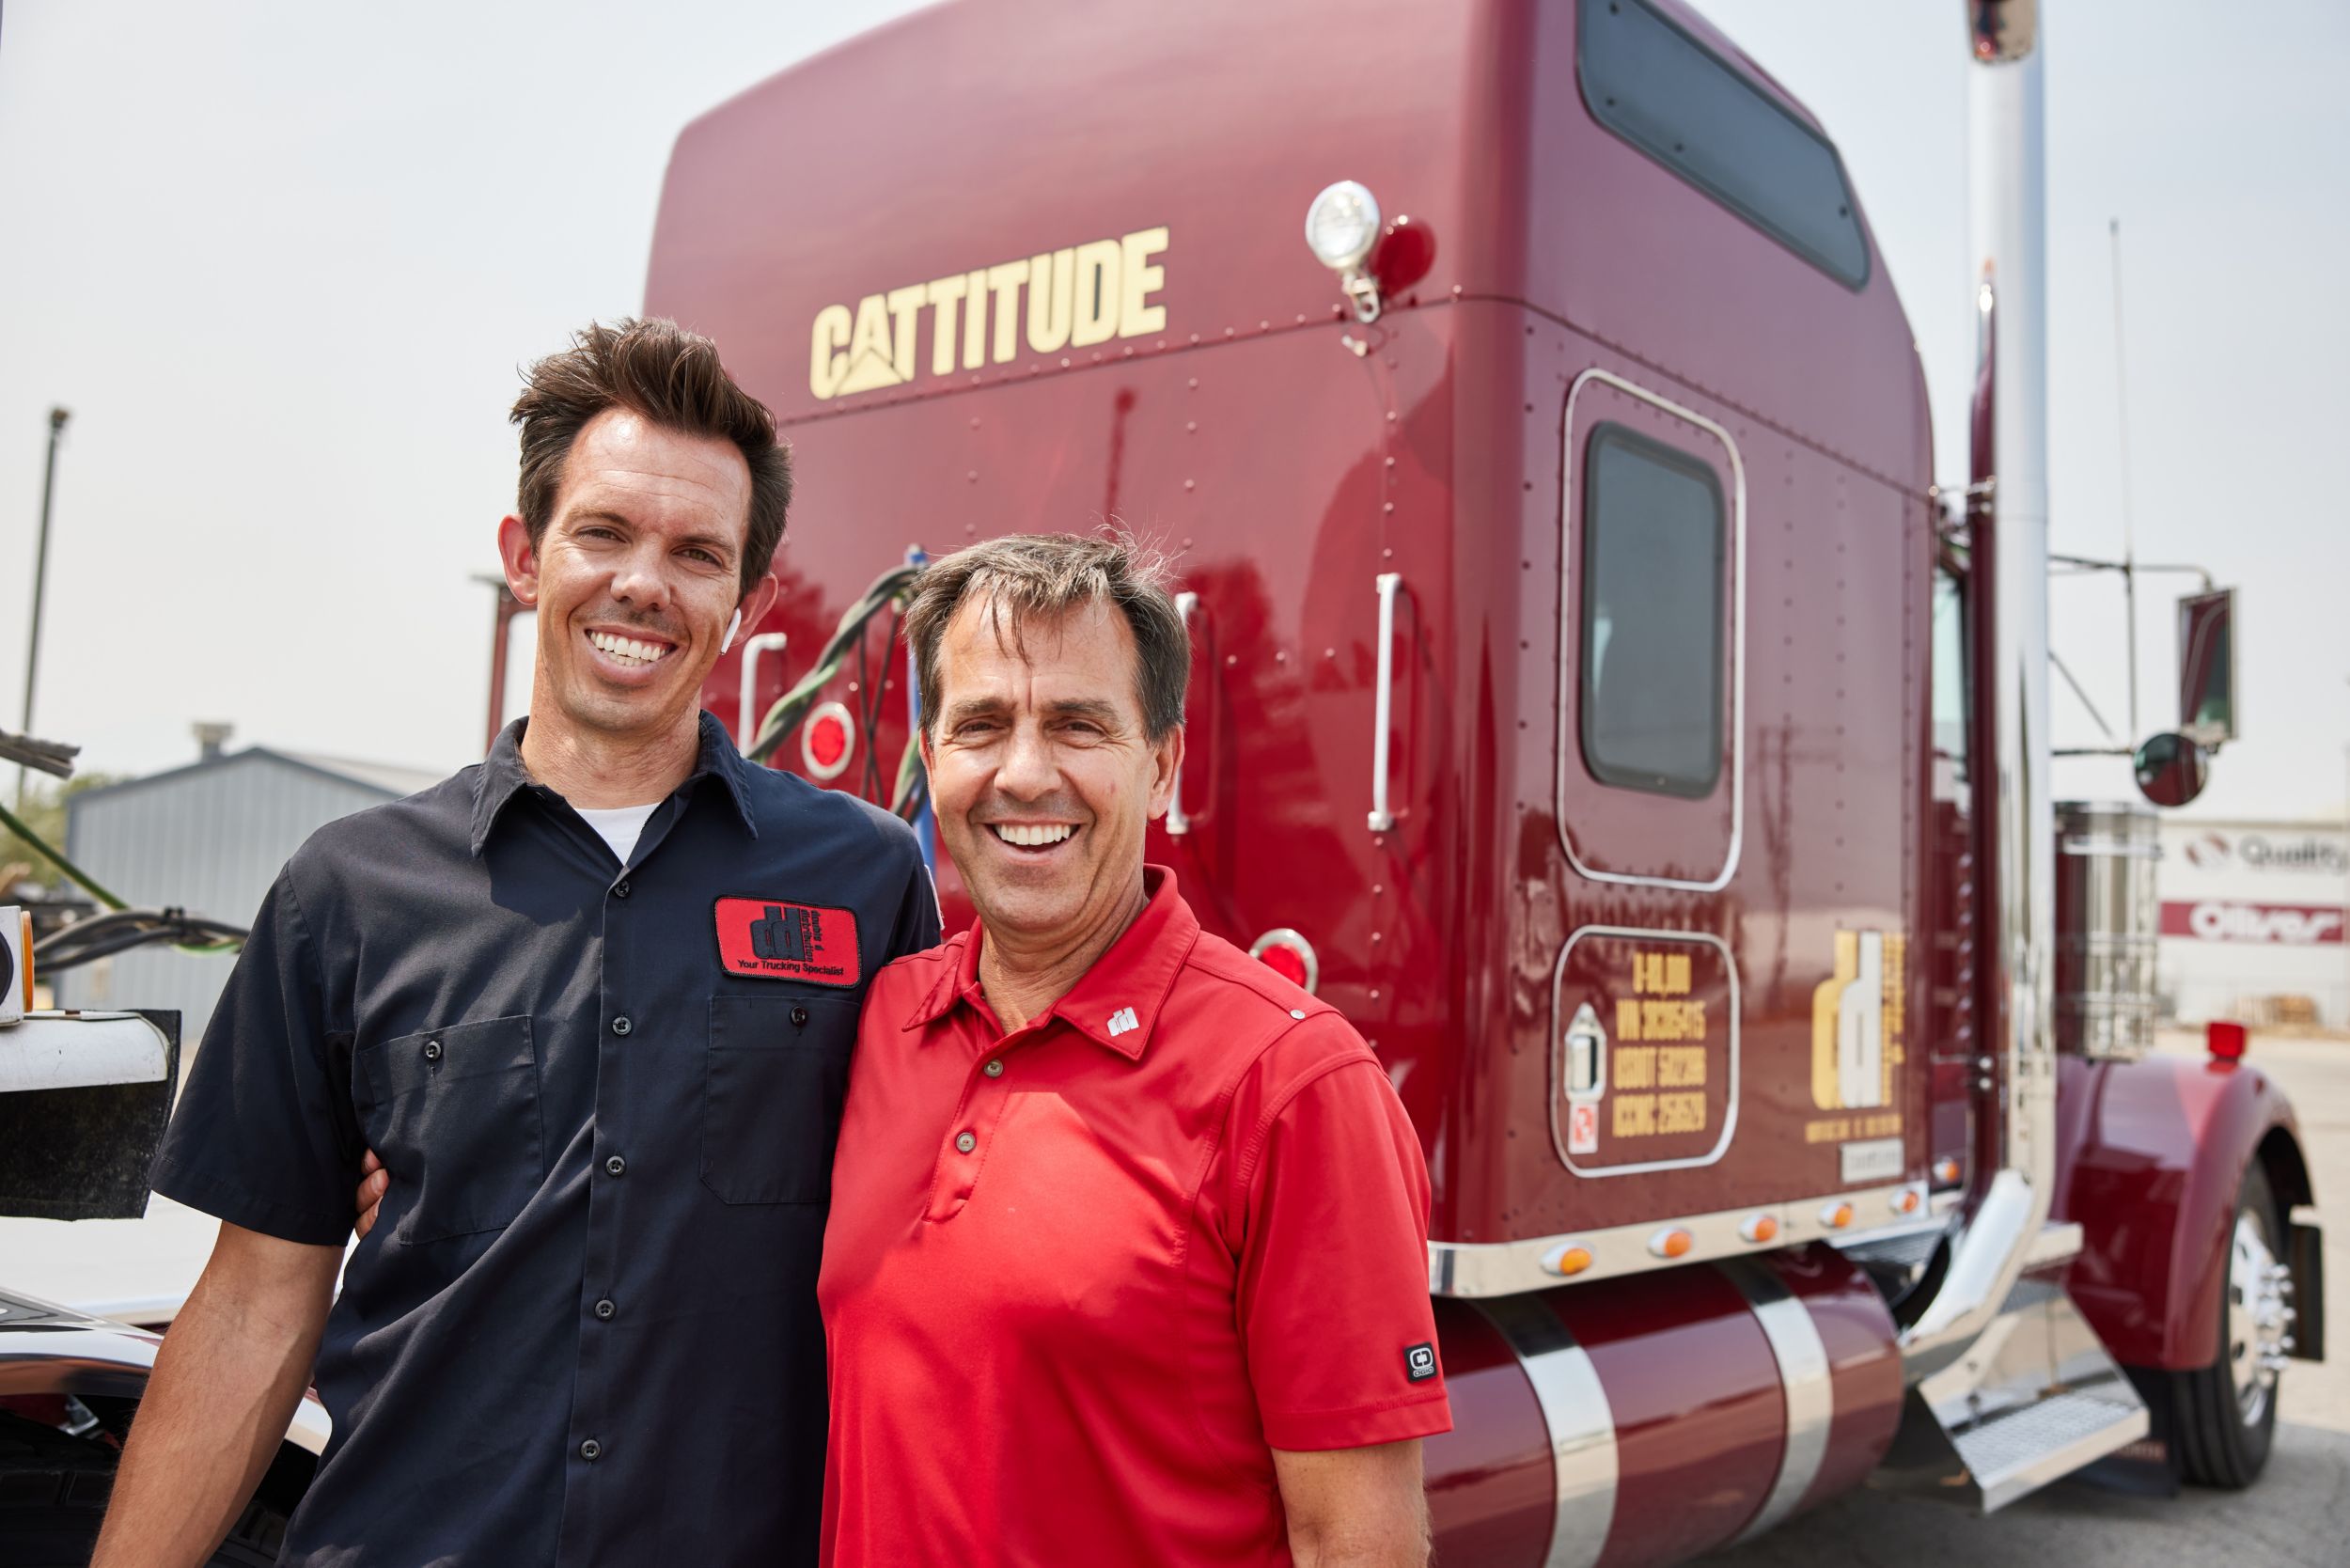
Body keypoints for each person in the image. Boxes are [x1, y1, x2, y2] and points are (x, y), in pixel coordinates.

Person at [92, 318, 938, 1568]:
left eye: (697, 552)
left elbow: (926, 1255)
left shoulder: (866, 885)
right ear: (525, 558)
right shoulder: (349, 894)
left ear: (750, 602)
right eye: (603, 533)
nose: (645, 582)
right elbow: (254, 1305)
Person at [818, 533, 1449, 1566]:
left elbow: (1355, 1544)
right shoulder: (885, 1021)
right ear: (931, 762)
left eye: (1077, 724)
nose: (1025, 774)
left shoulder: (1293, 1087)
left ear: (1160, 766)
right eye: (981, 725)